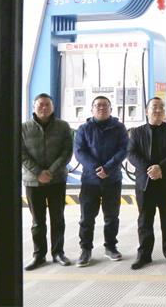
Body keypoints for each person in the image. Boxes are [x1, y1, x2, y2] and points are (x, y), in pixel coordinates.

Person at [73, 96, 128, 267]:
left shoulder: (119, 128)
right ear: (92, 109)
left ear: (111, 109)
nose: (101, 108)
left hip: (113, 179)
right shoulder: (84, 129)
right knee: (86, 218)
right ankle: (85, 250)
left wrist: (108, 168)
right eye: (98, 105)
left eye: (105, 105)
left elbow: (124, 149)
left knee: (111, 216)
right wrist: (96, 168)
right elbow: (79, 151)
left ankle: (110, 247)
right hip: (90, 181)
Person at [128, 97, 166, 270]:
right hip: (145, 183)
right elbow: (131, 154)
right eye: (154, 107)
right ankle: (144, 255)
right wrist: (149, 169)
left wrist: (160, 167)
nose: (158, 110)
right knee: (144, 220)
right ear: (146, 111)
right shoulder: (136, 132)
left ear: (165, 111)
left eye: (161, 107)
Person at [21, 93, 74, 270]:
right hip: (33, 182)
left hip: (56, 180)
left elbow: (67, 152)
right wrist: (38, 173)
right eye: (41, 104)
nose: (44, 108)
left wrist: (50, 172)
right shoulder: (24, 128)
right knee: (37, 221)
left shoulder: (63, 126)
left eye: (47, 105)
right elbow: (21, 153)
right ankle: (39, 255)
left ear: (53, 107)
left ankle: (58, 253)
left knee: (57, 218)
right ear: (34, 107)